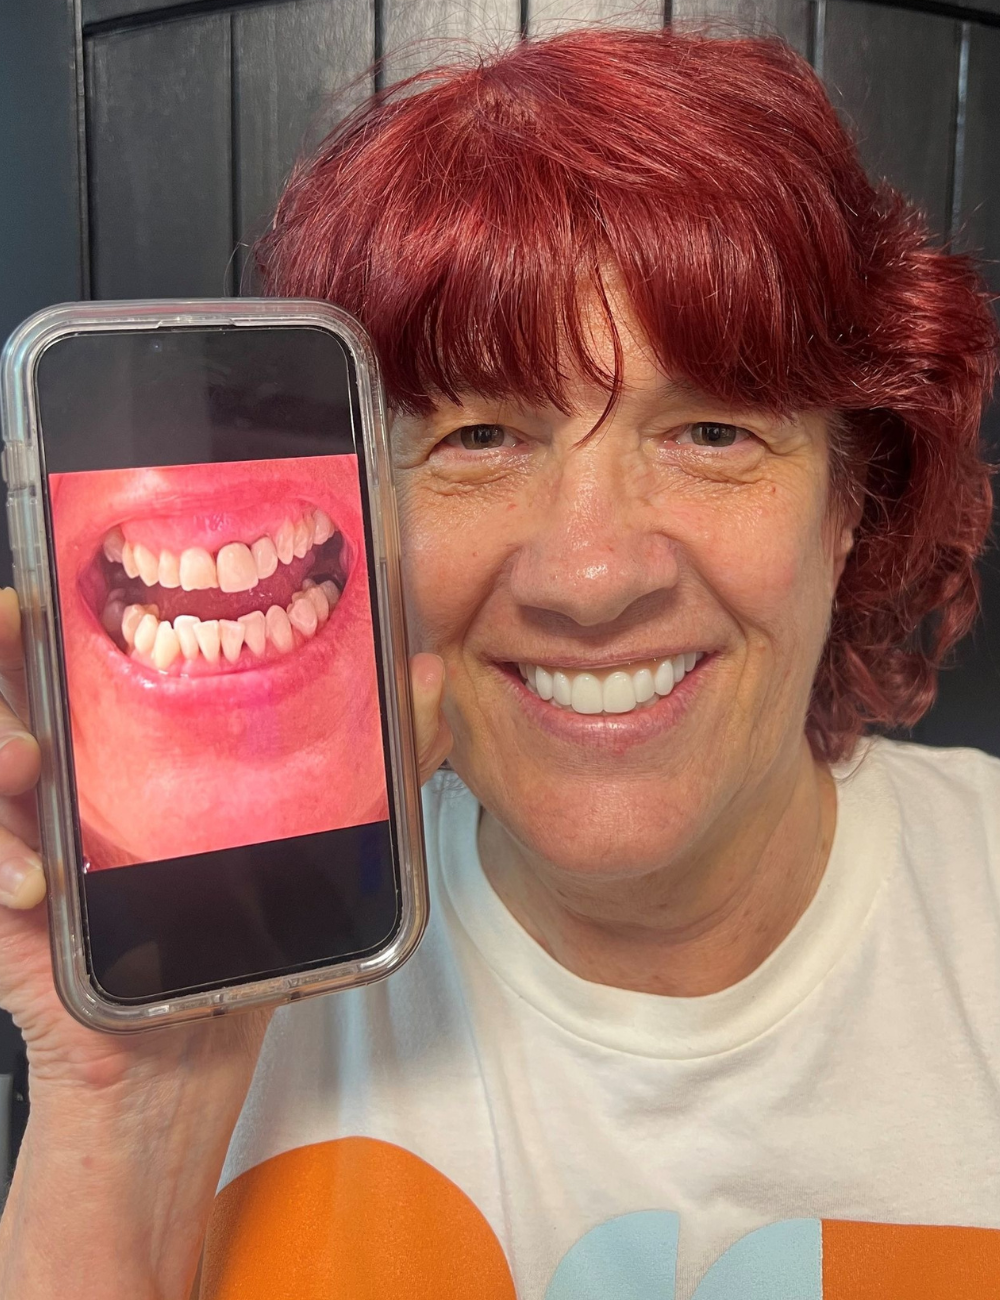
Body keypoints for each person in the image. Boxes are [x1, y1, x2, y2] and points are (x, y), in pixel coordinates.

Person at [1, 24, 999, 1300]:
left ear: (850, 500)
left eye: (710, 429)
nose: (587, 577)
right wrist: (120, 1121)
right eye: (478, 435)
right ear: (366, 506)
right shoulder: (234, 973)